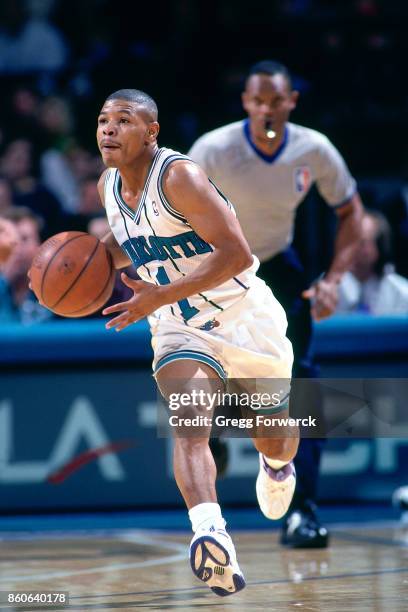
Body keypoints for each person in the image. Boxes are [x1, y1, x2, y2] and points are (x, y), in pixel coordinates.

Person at [95, 89, 299, 596]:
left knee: (273, 433)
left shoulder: (178, 176)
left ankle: (277, 466)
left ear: (152, 131)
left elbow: (235, 253)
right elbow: (127, 241)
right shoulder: (107, 186)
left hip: (243, 316)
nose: (109, 129)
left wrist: (158, 291)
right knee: (188, 423)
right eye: (103, 121)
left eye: (124, 120)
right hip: (177, 325)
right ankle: (211, 535)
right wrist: (80, 266)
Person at [188, 60, 364, 548]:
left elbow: (352, 214)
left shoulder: (314, 148)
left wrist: (334, 279)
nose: (266, 108)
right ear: (245, 103)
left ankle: (303, 511)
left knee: (303, 385)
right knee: (207, 381)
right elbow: (177, 214)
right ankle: (217, 433)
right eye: (257, 100)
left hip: (277, 266)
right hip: (218, 268)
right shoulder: (214, 149)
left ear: (292, 102)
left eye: (275, 101)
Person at [336, 210, 408, 314]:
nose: (350, 249)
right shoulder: (326, 291)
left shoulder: (402, 294)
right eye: (348, 241)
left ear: (380, 247)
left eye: (361, 242)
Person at [0, 207, 52, 324]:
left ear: (40, 246)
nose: (17, 249)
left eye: (24, 239)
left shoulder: (58, 287)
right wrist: (5, 280)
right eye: (10, 241)